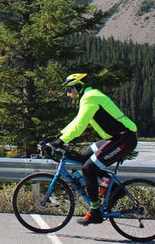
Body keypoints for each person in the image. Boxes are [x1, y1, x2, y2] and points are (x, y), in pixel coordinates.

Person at [46, 73, 138, 226]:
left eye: (69, 90)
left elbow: (79, 126)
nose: (68, 94)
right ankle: (115, 188)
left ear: (77, 87)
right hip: (114, 137)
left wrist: (59, 142)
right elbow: (76, 121)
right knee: (83, 158)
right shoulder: (89, 97)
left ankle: (95, 212)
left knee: (88, 169)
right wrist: (58, 136)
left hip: (124, 138)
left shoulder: (90, 97)